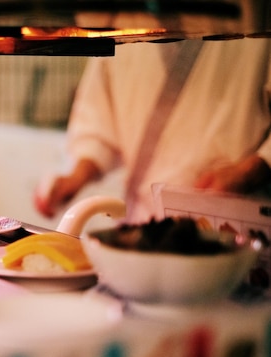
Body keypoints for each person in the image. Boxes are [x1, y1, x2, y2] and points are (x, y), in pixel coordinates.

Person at [34, 37, 271, 224]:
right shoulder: (122, 20)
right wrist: (77, 176)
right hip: (142, 221)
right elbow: (99, 119)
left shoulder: (255, 16)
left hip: (231, 222)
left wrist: (253, 169)